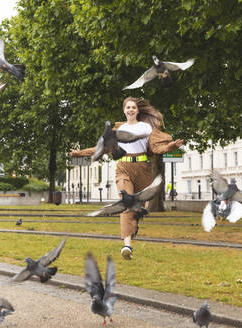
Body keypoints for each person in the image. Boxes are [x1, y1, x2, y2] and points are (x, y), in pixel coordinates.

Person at [70, 97, 183, 260]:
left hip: (143, 169)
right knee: (125, 202)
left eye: (133, 107)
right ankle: (127, 245)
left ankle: (133, 225)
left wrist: (172, 146)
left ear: (137, 111)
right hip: (123, 168)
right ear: (124, 110)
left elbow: (157, 147)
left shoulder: (146, 127)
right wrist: (79, 153)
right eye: (128, 107)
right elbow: (100, 148)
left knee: (136, 208)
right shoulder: (118, 129)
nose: (130, 110)